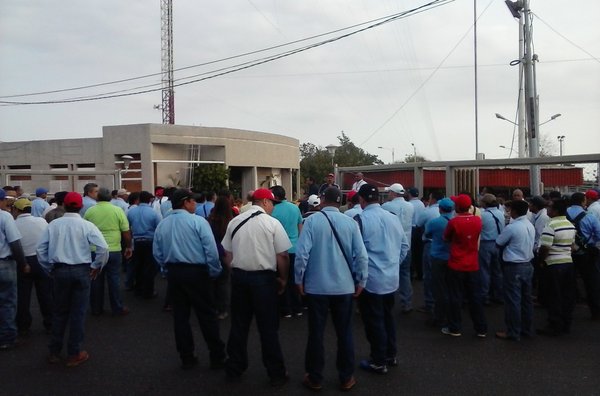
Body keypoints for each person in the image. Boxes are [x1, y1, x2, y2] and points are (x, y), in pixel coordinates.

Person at [295, 187, 368, 392]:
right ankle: (346, 377)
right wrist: (361, 280)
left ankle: (315, 377)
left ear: (323, 200)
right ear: (340, 201)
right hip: (344, 287)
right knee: (344, 332)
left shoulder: (311, 222)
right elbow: (361, 256)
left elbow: (302, 255)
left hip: (316, 287)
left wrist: (298, 279)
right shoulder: (351, 223)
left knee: (316, 333)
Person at [221, 188, 291, 386]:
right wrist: (283, 279)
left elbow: (226, 253)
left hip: (240, 279)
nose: (273, 209)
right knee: (268, 328)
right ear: (266, 202)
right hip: (264, 280)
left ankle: (234, 368)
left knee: (239, 326)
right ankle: (276, 373)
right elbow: (283, 256)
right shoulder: (271, 223)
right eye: (272, 204)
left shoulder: (235, 221)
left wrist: (234, 271)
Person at [152, 188, 226, 369]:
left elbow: (157, 252)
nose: (195, 203)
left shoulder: (163, 224)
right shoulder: (198, 222)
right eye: (193, 201)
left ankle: (186, 355)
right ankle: (217, 356)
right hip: (197, 273)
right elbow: (211, 250)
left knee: (181, 316)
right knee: (207, 315)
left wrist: (165, 269)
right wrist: (214, 271)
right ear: (185, 202)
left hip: (175, 273)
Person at [37, 192, 109, 366]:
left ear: (64, 205)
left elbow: (41, 250)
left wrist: (49, 268)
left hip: (59, 271)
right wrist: (95, 266)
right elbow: (103, 248)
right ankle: (73, 353)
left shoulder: (53, 225)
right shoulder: (87, 225)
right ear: (81, 206)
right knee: (78, 313)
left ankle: (54, 351)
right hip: (81, 271)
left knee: (59, 312)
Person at [355, 184, 409, 374]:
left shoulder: (360, 219)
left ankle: (378, 360)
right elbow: (404, 246)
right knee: (388, 318)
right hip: (391, 279)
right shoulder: (393, 218)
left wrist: (359, 278)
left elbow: (358, 254)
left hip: (371, 280)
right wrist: (393, 263)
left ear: (361, 200)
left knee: (373, 321)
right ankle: (390, 354)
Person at [442, 194, 487, 337]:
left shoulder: (454, 222)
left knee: (455, 296)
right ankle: (481, 328)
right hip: (473, 263)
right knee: (475, 297)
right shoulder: (477, 221)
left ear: (457, 207)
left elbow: (446, 238)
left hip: (456, 263)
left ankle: (455, 327)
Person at [84, 188, 132, 316]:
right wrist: (128, 247)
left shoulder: (90, 211)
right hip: (114, 250)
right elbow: (126, 231)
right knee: (114, 280)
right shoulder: (117, 210)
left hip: (95, 250)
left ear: (97, 197)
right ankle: (117, 307)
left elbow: (85, 231)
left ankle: (96, 308)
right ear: (111, 197)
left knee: (95, 279)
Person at [494, 200, 535, 341]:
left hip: (514, 266)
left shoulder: (512, 227)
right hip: (528, 265)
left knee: (513, 301)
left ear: (515, 211)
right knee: (526, 300)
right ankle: (526, 329)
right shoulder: (529, 224)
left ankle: (513, 331)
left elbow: (498, 243)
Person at [536, 198, 577, 336]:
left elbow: (545, 247)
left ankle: (554, 324)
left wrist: (541, 261)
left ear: (556, 210)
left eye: (549, 207)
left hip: (553, 264)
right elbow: (572, 247)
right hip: (568, 263)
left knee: (554, 295)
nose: (547, 209)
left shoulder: (551, 225)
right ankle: (566, 323)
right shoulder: (570, 225)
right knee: (567, 295)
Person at [13, 198, 52, 337]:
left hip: (22, 261)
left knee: (23, 296)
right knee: (45, 294)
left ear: (16, 210)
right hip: (41, 260)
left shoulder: (13, 224)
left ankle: (23, 326)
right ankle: (50, 324)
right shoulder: (41, 221)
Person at [270, 185, 303, 318]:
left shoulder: (273, 210)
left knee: (281, 279)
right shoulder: (295, 208)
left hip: (279, 249)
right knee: (293, 279)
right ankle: (298, 307)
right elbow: (300, 226)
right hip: (295, 248)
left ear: (276, 197)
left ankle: (285, 309)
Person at [0, 189, 28, 350]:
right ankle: (7, 338)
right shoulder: (4, 216)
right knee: (8, 302)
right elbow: (15, 243)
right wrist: (23, 263)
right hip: (4, 264)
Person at [566, 192, 600, 320]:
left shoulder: (563, 214)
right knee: (591, 283)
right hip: (587, 254)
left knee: (567, 283)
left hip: (566, 253)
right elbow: (599, 234)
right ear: (583, 201)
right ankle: (595, 312)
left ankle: (567, 312)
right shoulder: (589, 216)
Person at [382, 183, 414, 313]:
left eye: (389, 192)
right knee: (405, 274)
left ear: (393, 193)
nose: (388, 194)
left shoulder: (386, 206)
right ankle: (407, 302)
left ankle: (386, 302)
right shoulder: (410, 206)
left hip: (391, 246)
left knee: (387, 274)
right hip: (407, 245)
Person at [423, 198, 455, 327]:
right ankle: (451, 315)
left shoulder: (435, 222)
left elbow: (427, 234)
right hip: (452, 257)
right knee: (450, 287)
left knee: (438, 288)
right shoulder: (455, 221)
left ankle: (438, 316)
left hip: (437, 256)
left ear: (440, 208)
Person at [127, 191, 161, 299]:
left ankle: (138, 289)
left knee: (138, 266)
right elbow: (159, 228)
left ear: (139, 199)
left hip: (136, 241)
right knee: (149, 267)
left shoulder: (131, 212)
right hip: (149, 241)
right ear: (149, 200)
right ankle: (148, 291)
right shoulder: (154, 212)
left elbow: (127, 227)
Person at [415, 191, 444, 314]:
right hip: (445, 245)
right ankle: (440, 303)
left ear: (432, 199)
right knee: (442, 276)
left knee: (429, 275)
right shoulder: (448, 213)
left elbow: (418, 224)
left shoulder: (428, 212)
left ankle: (430, 303)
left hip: (430, 244)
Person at [207, 195, 235, 320]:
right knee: (224, 282)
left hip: (212, 252)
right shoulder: (231, 221)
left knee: (212, 281)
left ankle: (212, 306)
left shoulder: (210, 220)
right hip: (227, 253)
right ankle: (223, 309)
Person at [479, 193, 505, 305]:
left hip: (486, 244)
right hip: (498, 243)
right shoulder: (501, 213)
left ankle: (484, 296)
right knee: (497, 271)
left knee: (484, 271)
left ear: (485, 203)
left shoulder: (483, 215)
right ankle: (498, 294)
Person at [407, 187, 425, 280]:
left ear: (410, 194)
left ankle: (411, 273)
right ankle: (420, 273)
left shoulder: (409, 204)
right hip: (421, 229)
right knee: (419, 253)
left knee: (412, 252)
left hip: (412, 229)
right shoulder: (421, 204)